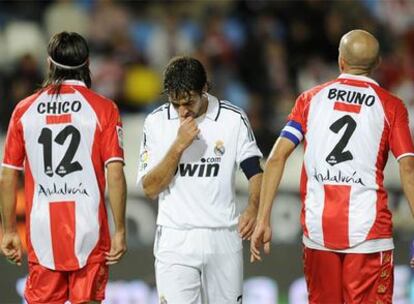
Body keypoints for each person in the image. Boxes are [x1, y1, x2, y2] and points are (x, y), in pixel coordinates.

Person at [251, 29, 414, 303]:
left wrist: (262, 218)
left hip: (318, 230)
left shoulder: (310, 99)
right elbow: (408, 168)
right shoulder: (391, 106)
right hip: (369, 233)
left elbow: (276, 157)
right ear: (377, 65)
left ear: (340, 61)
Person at [0, 31, 127, 304]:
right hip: (90, 229)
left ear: (49, 63)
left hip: (42, 229)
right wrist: (120, 231)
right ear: (87, 63)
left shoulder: (24, 110)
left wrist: (9, 230)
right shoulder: (104, 109)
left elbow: (9, 174)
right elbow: (115, 174)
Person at [137, 56, 263, 304]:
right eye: (175, 104)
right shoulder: (156, 122)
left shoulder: (233, 118)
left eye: (188, 102)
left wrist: (253, 207)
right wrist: (178, 147)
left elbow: (255, 171)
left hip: (223, 236)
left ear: (204, 88)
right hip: (175, 238)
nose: (183, 111)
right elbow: (150, 189)